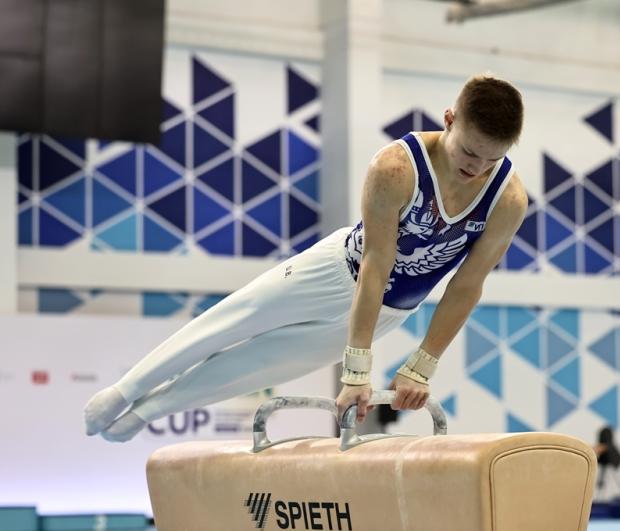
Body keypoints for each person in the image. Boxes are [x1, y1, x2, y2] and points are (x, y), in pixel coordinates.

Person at [83, 74, 528, 442]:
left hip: (391, 311)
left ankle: (147, 411)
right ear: (449, 120)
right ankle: (126, 390)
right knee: (233, 320)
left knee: (259, 365)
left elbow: (466, 285)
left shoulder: (506, 200)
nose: (476, 168)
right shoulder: (396, 168)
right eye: (469, 151)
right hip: (334, 272)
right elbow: (376, 265)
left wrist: (421, 365)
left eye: (492, 159)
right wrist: (357, 369)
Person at [594, 426, 620, 494]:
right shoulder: (610, 447)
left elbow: (599, 449)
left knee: (610, 487)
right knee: (601, 487)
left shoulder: (609, 448)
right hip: (607, 467)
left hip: (611, 468)